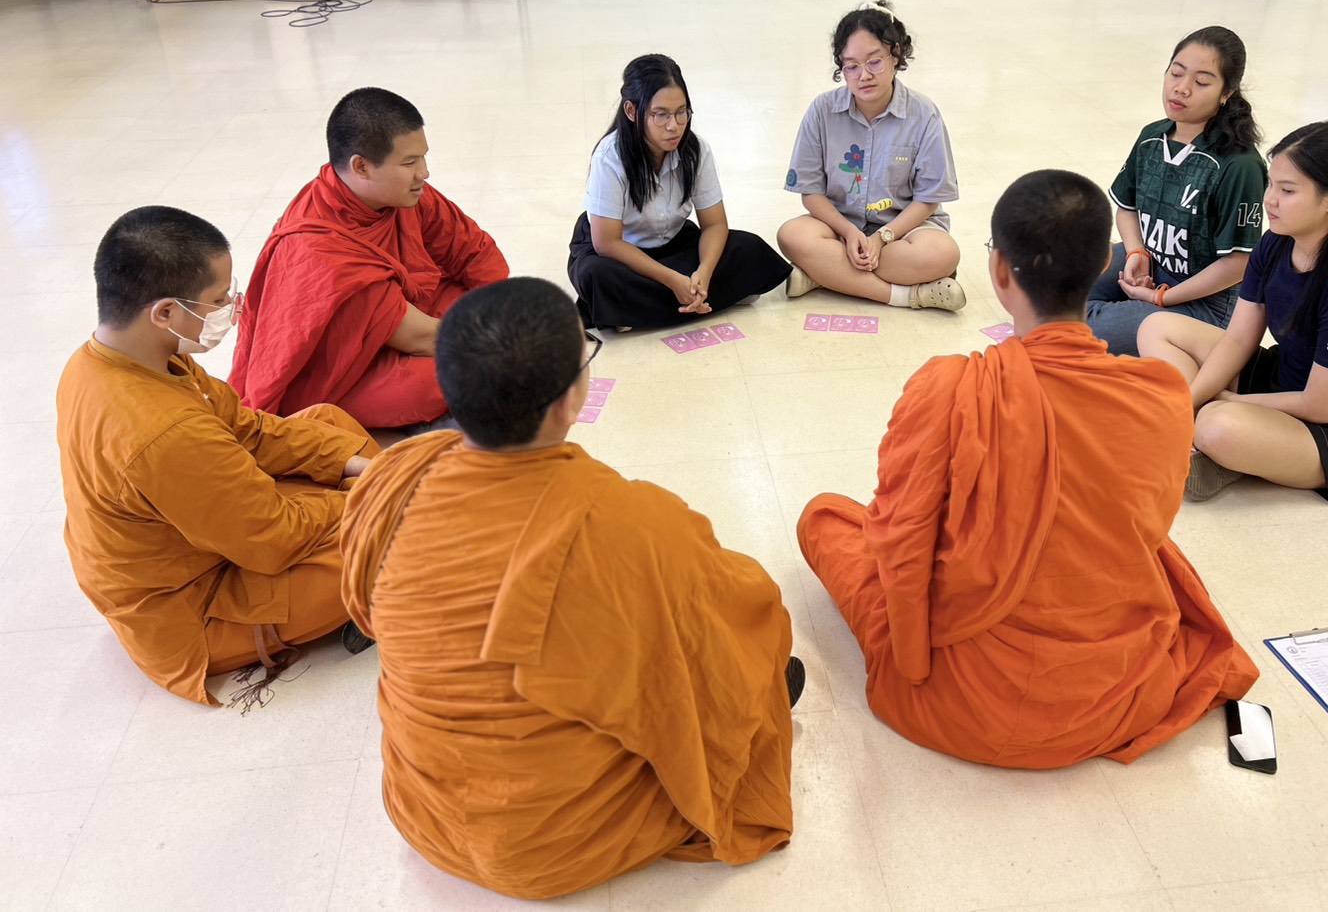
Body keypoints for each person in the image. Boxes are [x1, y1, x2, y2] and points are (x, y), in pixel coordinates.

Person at [341, 278, 802, 899]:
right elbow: (738, 611)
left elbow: (365, 611)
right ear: (571, 398)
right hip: (558, 843)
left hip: (425, 813)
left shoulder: (395, 477)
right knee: (747, 641)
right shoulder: (630, 522)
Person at [796, 170, 1258, 769]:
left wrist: (911, 664)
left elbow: (901, 543)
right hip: (1115, 691)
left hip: (966, 698)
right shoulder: (1162, 393)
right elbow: (1144, 522)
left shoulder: (949, 387)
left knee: (826, 517)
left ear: (999, 271)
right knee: (1146, 548)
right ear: (1103, 266)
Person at [55, 207, 381, 708]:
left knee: (325, 422)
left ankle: (381, 535)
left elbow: (245, 429)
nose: (231, 308)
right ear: (165, 312)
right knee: (392, 528)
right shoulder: (163, 431)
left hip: (208, 528)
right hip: (197, 603)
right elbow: (274, 537)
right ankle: (386, 557)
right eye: (217, 300)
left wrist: (358, 471)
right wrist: (376, 493)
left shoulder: (120, 358)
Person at [1139, 122, 1328, 503]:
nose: (1270, 200)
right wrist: (1188, 403)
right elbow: (1238, 340)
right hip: (1284, 381)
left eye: (1287, 191)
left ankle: (1217, 444)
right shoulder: (1276, 242)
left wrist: (1223, 402)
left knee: (1218, 424)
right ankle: (1210, 446)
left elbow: (1321, 406)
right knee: (1158, 327)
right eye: (1271, 185)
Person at [229, 88, 509, 430]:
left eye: (422, 158)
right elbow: (420, 337)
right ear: (361, 166)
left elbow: (474, 250)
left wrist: (502, 309)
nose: (424, 173)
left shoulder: (400, 194)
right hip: (344, 367)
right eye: (409, 162)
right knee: (436, 380)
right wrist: (504, 341)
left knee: (485, 302)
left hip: (402, 319)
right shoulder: (319, 248)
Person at [567, 54, 791, 330]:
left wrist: (703, 273)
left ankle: (638, 312)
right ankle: (688, 301)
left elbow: (715, 225)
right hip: (621, 253)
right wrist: (673, 280)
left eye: (681, 112)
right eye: (660, 115)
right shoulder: (609, 157)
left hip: (673, 244)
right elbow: (608, 243)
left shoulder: (696, 150)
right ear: (632, 112)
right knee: (596, 276)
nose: (674, 125)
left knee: (748, 248)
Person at [1087, 25, 1268, 355]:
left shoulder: (1239, 166)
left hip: (1205, 304)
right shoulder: (1152, 136)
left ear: (1226, 93)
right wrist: (1137, 252)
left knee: (1084, 327)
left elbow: (1238, 264)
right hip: (1153, 265)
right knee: (1057, 291)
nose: (1181, 88)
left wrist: (1162, 297)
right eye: (1176, 73)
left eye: (1202, 82)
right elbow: (1127, 207)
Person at [777, 0, 965, 312]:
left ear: (896, 55)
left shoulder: (924, 114)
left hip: (904, 231)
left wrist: (882, 238)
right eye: (851, 66)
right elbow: (810, 193)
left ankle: (824, 275)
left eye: (874, 62)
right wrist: (849, 232)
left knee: (942, 254)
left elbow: (929, 198)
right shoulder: (822, 110)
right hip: (839, 227)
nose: (863, 75)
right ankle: (909, 296)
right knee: (792, 236)